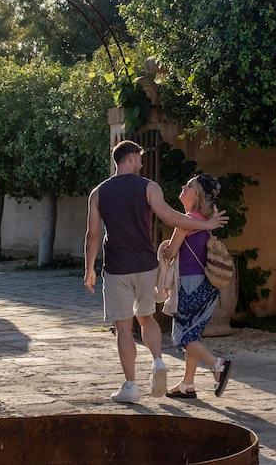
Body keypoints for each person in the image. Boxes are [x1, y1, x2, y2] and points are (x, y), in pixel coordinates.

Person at [84, 141, 228, 403]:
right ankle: (158, 362)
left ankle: (130, 386)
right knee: (147, 317)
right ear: (128, 158)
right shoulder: (149, 187)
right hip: (146, 265)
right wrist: (206, 223)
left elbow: (92, 235)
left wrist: (89, 269)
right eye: (139, 158)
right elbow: (171, 217)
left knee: (124, 327)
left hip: (117, 267)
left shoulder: (98, 193)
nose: (141, 163)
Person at [159, 173, 233, 399]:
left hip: (190, 284)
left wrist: (163, 248)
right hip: (207, 286)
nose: (183, 186)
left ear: (197, 194)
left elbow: (171, 252)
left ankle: (217, 365)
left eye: (189, 185)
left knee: (181, 337)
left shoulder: (187, 219)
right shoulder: (202, 219)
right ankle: (187, 384)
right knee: (192, 334)